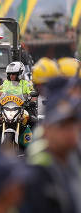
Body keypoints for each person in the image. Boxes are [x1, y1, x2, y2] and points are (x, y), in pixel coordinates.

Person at [21, 82, 81, 213]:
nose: (70, 132)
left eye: (74, 124)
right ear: (46, 130)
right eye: (62, 125)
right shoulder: (35, 176)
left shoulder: (73, 158)